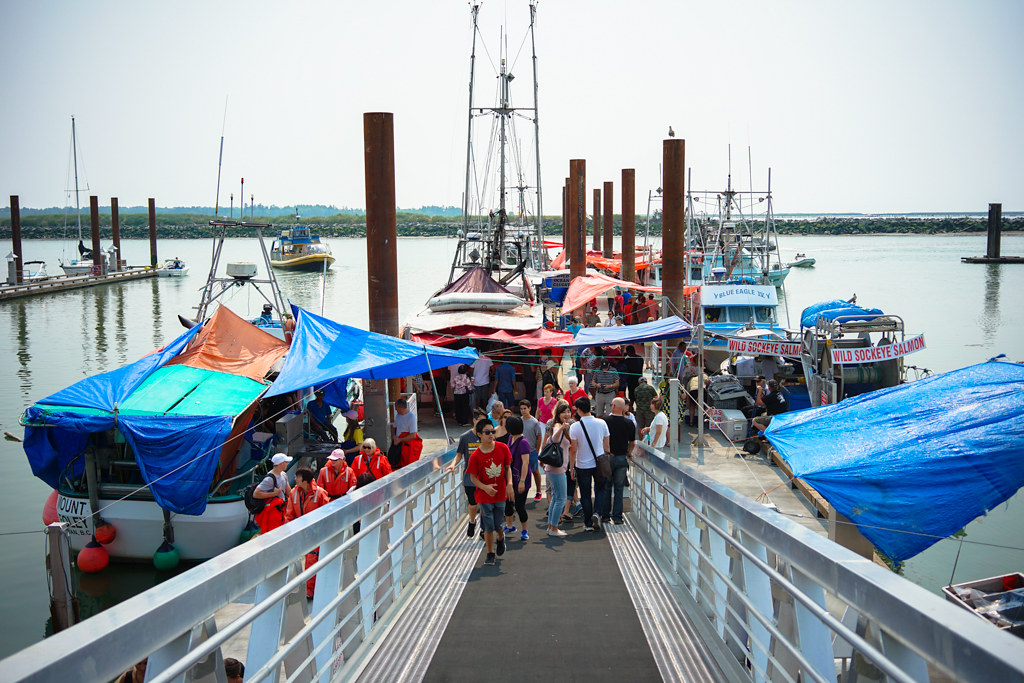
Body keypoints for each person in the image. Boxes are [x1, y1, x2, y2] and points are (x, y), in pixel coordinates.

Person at [466, 418, 513, 566]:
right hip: (484, 496)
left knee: (499, 524)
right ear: (479, 434)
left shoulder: (502, 448)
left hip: (500, 494)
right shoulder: (475, 456)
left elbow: (507, 468)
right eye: (487, 432)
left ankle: (500, 538)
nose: (491, 435)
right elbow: (473, 478)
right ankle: (490, 553)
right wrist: (485, 487)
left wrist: (509, 484)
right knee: (487, 525)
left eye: (492, 431)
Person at [284, 466, 330, 599]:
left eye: (297, 477)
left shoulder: (320, 493)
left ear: (305, 480)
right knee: (294, 560)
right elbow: (289, 514)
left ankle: (309, 591)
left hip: (316, 533)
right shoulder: (294, 493)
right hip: (299, 531)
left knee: (311, 560)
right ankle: (293, 588)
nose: (295, 479)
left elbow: (327, 514)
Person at [568, 396, 610, 532]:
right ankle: (597, 513)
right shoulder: (601, 423)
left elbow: (573, 449)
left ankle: (587, 523)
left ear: (578, 410)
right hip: (599, 462)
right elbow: (606, 446)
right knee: (601, 489)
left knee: (585, 494)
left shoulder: (575, 427)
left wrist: (571, 467)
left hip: (582, 464)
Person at [446, 415, 484, 538]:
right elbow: (459, 455)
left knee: (484, 504)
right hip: (470, 477)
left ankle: (484, 528)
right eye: (479, 420)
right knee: (473, 504)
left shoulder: (487, 436)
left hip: (484, 477)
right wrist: (453, 465)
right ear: (474, 420)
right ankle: (472, 521)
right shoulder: (465, 437)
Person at [601, 398, 635, 525]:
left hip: (608, 457)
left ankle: (605, 515)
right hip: (622, 457)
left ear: (613, 406)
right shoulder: (629, 423)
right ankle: (617, 516)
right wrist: (629, 452)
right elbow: (632, 442)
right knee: (619, 488)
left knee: (606, 487)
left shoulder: (605, 421)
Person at [540, 399, 572, 536]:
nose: (567, 414)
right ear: (558, 414)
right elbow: (554, 438)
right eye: (564, 412)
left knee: (555, 498)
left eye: (569, 411)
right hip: (557, 469)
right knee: (561, 499)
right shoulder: (558, 426)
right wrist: (562, 429)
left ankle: (551, 526)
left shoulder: (564, 426)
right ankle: (553, 528)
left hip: (556, 468)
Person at [501, 416, 532, 540]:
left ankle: (524, 530)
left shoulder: (523, 442)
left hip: (521, 478)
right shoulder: (510, 439)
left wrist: (522, 481)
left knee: (520, 506)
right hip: (510, 478)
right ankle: (510, 526)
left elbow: (525, 463)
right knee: (508, 504)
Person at [253, 453, 292, 534]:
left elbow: (289, 492)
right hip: (273, 513)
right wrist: (274, 494)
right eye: (286, 462)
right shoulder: (269, 479)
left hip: (282, 510)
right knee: (273, 535)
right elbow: (256, 494)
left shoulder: (284, 474)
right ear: (281, 464)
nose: (287, 464)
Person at [392, 398, 422, 467]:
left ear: (400, 407)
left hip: (407, 447)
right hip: (398, 445)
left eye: (396, 407)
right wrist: (394, 437)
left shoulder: (412, 418)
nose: (395, 409)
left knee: (408, 465)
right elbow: (394, 427)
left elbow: (413, 435)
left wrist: (400, 440)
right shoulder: (398, 415)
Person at [621, 345, 645, 409]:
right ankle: (638, 408)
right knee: (638, 395)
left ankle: (630, 407)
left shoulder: (627, 361)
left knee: (632, 395)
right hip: (639, 379)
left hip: (631, 380)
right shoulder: (640, 358)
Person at [679, 354, 700, 427]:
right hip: (695, 389)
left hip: (692, 389)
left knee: (692, 406)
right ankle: (699, 423)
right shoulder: (699, 370)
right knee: (697, 406)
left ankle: (691, 422)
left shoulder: (694, 369)